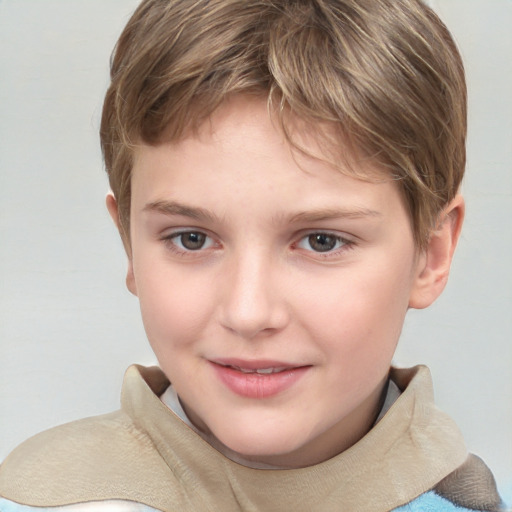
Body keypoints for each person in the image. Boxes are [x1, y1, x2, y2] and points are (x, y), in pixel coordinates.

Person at [0, 0, 506, 510]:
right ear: (129, 244)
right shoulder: (38, 498)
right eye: (191, 239)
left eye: (321, 241)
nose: (248, 312)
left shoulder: (469, 501)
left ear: (431, 254)